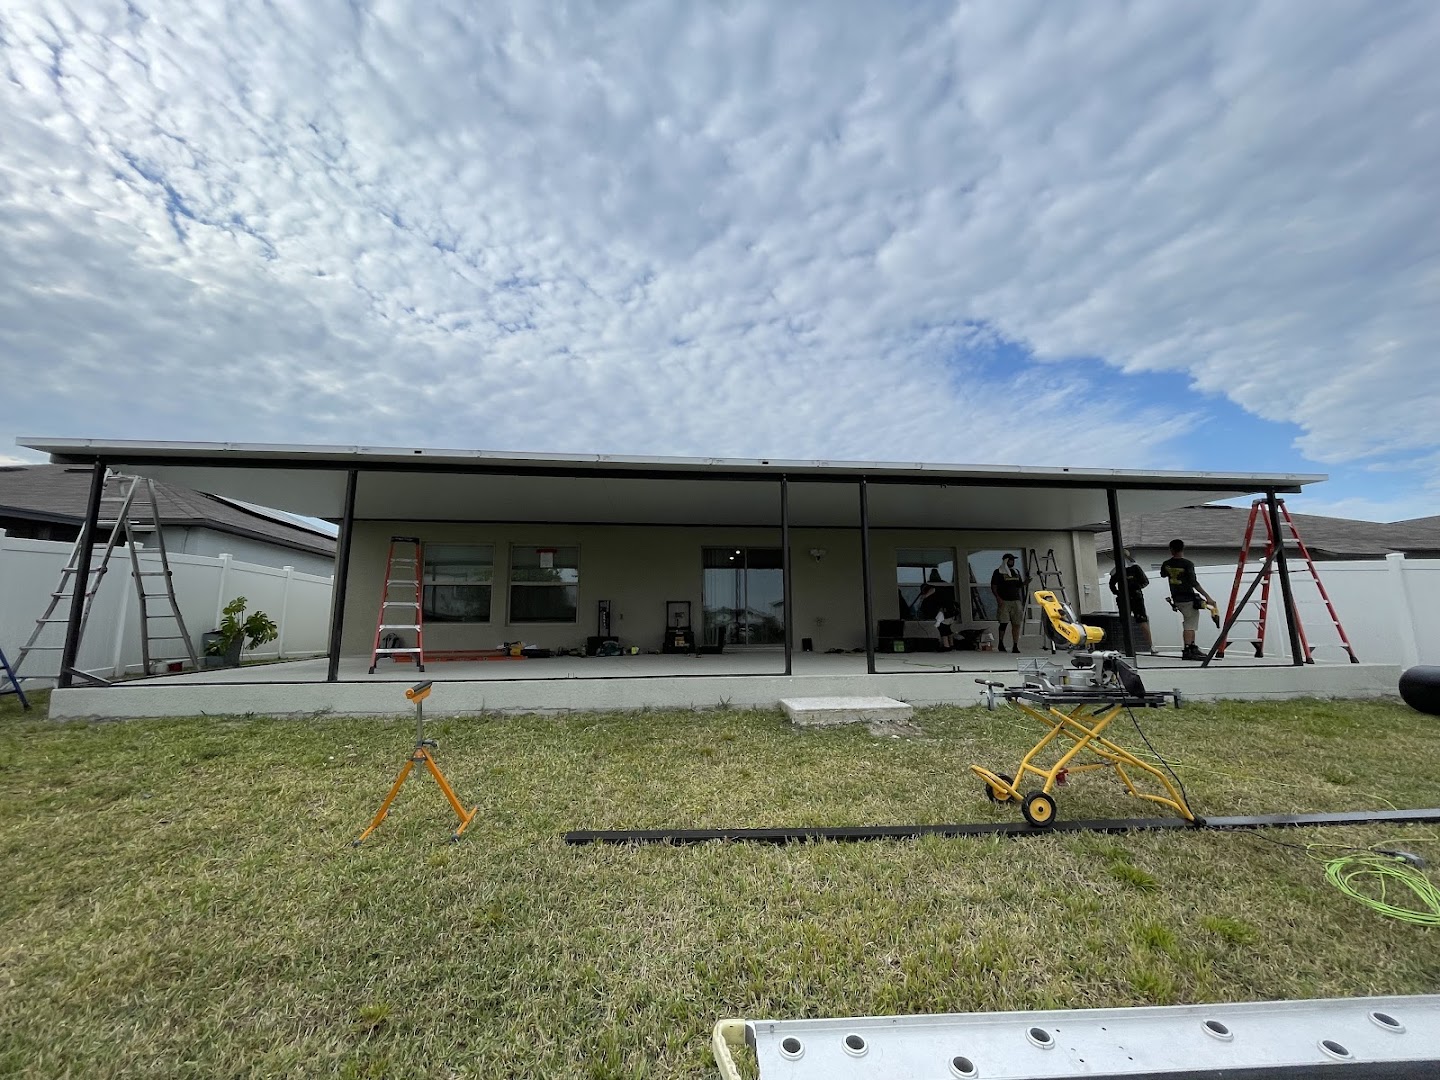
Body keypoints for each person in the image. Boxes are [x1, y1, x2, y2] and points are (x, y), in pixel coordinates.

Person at [1159, 538, 1215, 661]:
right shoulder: (1187, 564)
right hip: (1188, 597)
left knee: (1191, 622)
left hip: (1176, 597)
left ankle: (1192, 647)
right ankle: (1188, 649)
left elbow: (1163, 574)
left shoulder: (1166, 564)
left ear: (1171, 549)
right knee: (1189, 624)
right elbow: (1193, 582)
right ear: (1183, 548)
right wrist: (1208, 597)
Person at [990, 553, 1028, 654]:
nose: (1012, 561)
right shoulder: (998, 572)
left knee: (1016, 623)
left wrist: (1026, 582)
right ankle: (1001, 643)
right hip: (1004, 600)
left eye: (1013, 560)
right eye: (1011, 560)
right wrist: (998, 598)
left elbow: (1019, 585)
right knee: (1003, 622)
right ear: (1006, 561)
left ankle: (1015, 645)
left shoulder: (1016, 572)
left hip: (1016, 600)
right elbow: (994, 586)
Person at [1109, 549, 1150, 624]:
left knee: (1141, 620)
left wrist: (1135, 588)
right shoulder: (1116, 571)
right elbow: (1111, 584)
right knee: (1125, 620)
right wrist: (1118, 593)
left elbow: (1145, 581)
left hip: (1135, 597)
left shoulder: (1135, 568)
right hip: (1124, 598)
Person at [914, 582, 956, 650]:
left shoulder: (932, 593)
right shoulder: (941, 592)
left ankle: (946, 646)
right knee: (948, 628)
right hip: (951, 611)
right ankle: (951, 644)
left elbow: (933, 590)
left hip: (944, 613)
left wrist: (925, 597)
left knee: (943, 628)